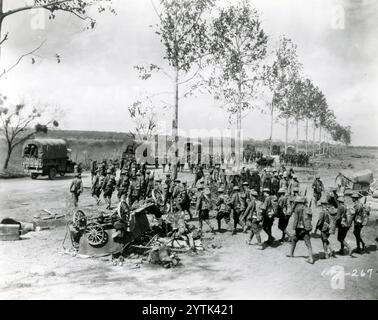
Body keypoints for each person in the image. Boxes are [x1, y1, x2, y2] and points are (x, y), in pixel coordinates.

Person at [286, 196, 314, 264]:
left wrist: (293, 228)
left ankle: (310, 258)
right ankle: (310, 257)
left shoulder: (297, 209)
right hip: (306, 229)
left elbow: (296, 220)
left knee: (295, 239)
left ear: (298, 202)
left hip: (299, 229)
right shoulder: (307, 208)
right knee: (306, 243)